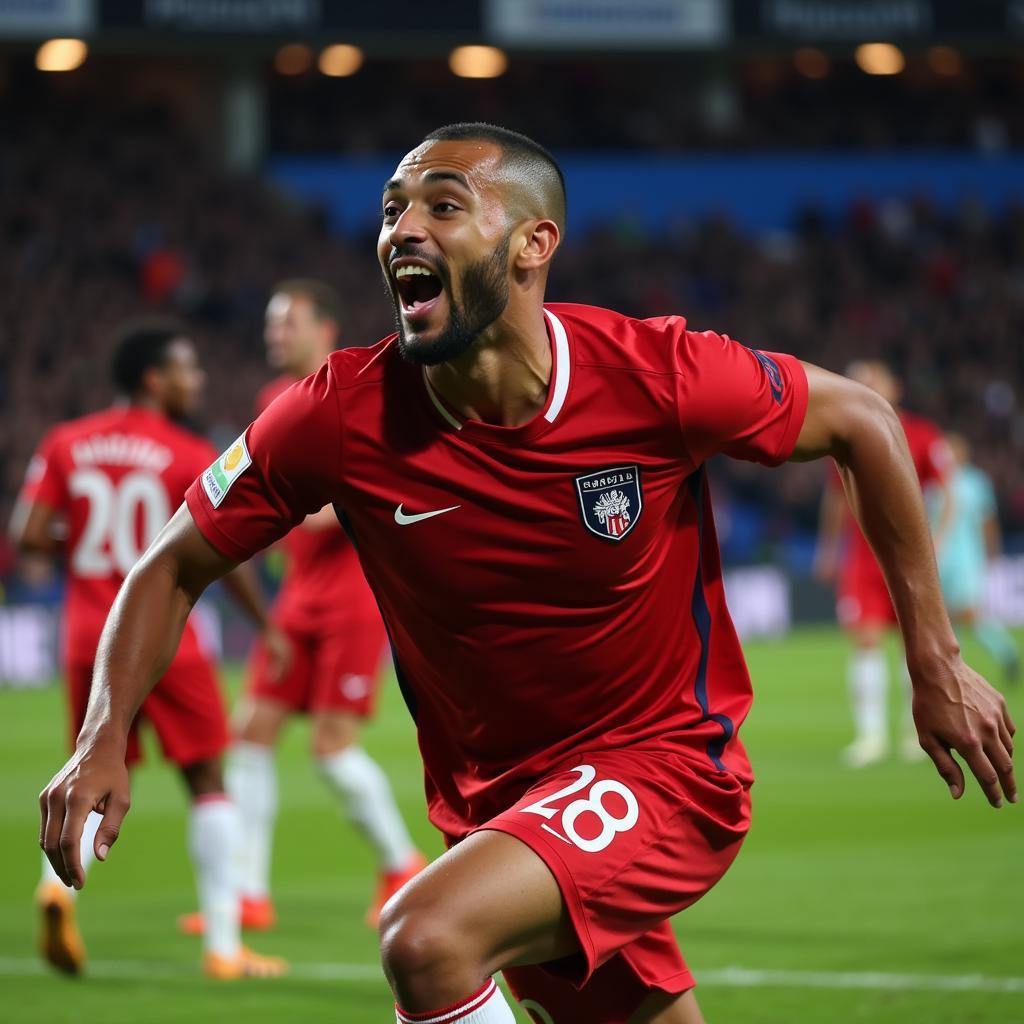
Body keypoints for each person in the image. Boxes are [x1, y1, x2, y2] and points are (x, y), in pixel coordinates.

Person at [38, 126, 1015, 1024]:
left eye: (443, 205)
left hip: (667, 768)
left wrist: (932, 660)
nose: (401, 230)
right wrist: (103, 734)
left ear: (532, 243)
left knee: (426, 939)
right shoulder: (337, 412)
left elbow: (864, 423)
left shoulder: (656, 374)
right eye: (390, 209)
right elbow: (172, 561)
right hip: (503, 808)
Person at [16, 320, 285, 979]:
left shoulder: (64, 442)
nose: (196, 381)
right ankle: (224, 948)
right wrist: (267, 626)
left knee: (90, 765)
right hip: (170, 639)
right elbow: (228, 559)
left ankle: (54, 892)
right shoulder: (187, 451)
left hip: (89, 638)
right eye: (186, 370)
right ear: (153, 379)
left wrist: (85, 551)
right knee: (208, 782)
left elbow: (27, 533)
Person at [180, 281, 423, 936]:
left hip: (352, 595)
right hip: (299, 595)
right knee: (252, 730)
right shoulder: (271, 401)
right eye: (269, 326)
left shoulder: (359, 392)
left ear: (325, 328)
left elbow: (371, 495)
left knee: (329, 748)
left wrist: (297, 513)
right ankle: (249, 892)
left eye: (285, 325)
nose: (273, 337)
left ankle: (402, 865)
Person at [814, 360, 954, 767]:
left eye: (873, 380)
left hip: (909, 555)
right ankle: (871, 735)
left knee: (916, 644)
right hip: (862, 557)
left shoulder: (924, 435)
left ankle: (917, 733)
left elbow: (948, 493)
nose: (864, 386)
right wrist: (827, 549)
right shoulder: (842, 437)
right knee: (867, 640)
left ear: (894, 386)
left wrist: (938, 542)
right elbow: (837, 499)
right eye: (858, 381)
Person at [931, 432, 1019, 685]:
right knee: (946, 619)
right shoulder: (933, 482)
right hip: (938, 559)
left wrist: (992, 553)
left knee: (969, 613)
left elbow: (987, 522)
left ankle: (1006, 652)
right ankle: (954, 673)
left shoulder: (975, 482)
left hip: (967, 558)